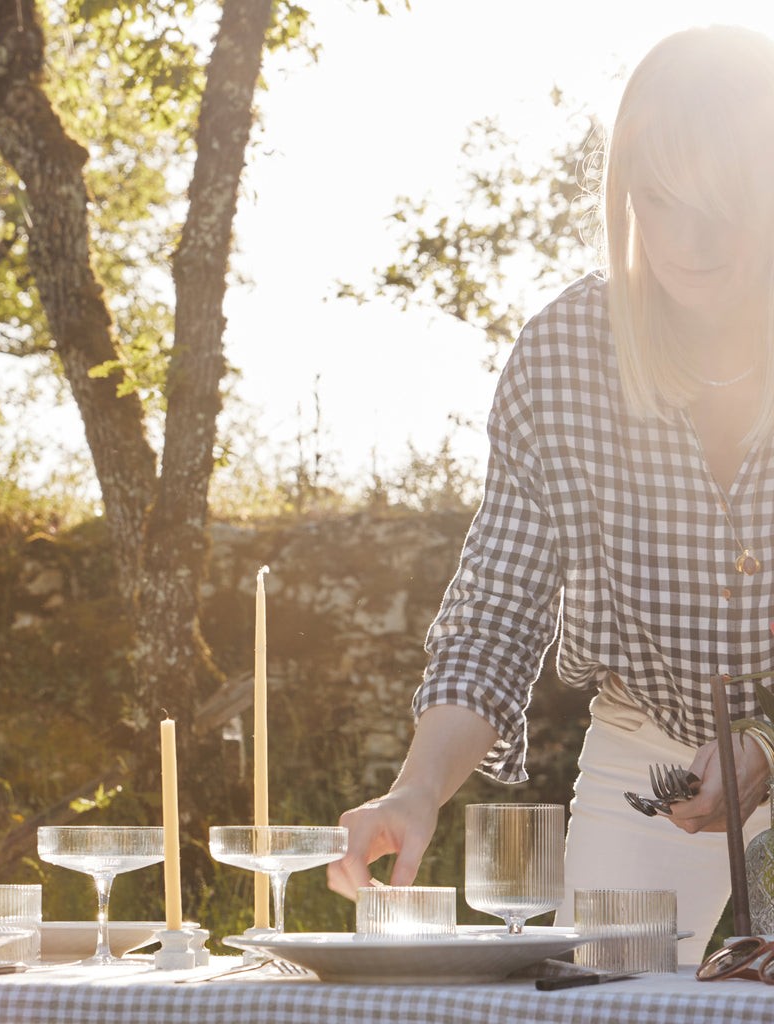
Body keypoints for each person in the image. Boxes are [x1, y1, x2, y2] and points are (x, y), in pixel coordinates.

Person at [327, 24, 774, 964]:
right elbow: (498, 611)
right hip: (650, 754)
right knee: (613, 997)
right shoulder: (564, 355)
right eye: (663, 199)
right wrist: (415, 791)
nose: (690, 240)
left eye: (726, 205)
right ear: (625, 192)